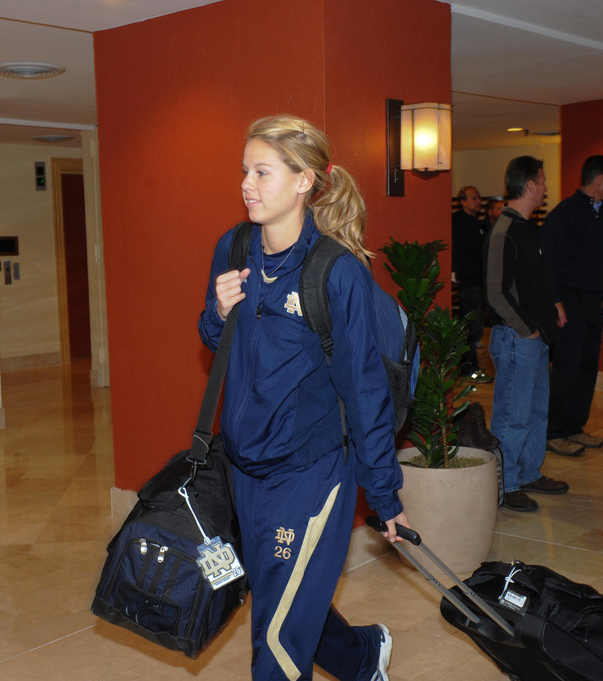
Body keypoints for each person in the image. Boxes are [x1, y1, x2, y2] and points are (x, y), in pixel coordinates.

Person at [199, 115, 409, 680]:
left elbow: (364, 390)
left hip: (310, 471)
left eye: (261, 172)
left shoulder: (336, 272)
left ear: (303, 181)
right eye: (245, 170)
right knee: (280, 593)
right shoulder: (234, 247)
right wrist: (218, 312)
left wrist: (383, 494)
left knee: (275, 633)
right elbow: (217, 342)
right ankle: (362, 657)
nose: (246, 184)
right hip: (244, 463)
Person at [484, 156, 569, 512]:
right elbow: (495, 292)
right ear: (531, 185)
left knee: (535, 412)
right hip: (517, 338)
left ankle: (528, 472)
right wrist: (527, 331)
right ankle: (505, 485)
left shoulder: (527, 228)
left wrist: (554, 305)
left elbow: (534, 281)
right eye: (543, 181)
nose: (545, 188)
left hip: (534, 337)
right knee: (512, 416)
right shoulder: (504, 229)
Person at [540, 156, 603, 457]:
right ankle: (555, 431)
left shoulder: (598, 213)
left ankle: (574, 426)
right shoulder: (565, 213)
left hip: (591, 300)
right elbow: (548, 261)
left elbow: (597, 261)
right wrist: (555, 300)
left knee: (586, 365)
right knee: (567, 366)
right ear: (599, 180)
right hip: (569, 299)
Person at [451, 186, 491, 383]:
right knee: (471, 325)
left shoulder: (477, 223)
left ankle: (465, 364)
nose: (478, 201)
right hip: (468, 280)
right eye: (474, 198)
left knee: (472, 324)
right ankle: (469, 367)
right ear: (463, 201)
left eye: (479, 198)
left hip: (478, 279)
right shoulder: (458, 222)